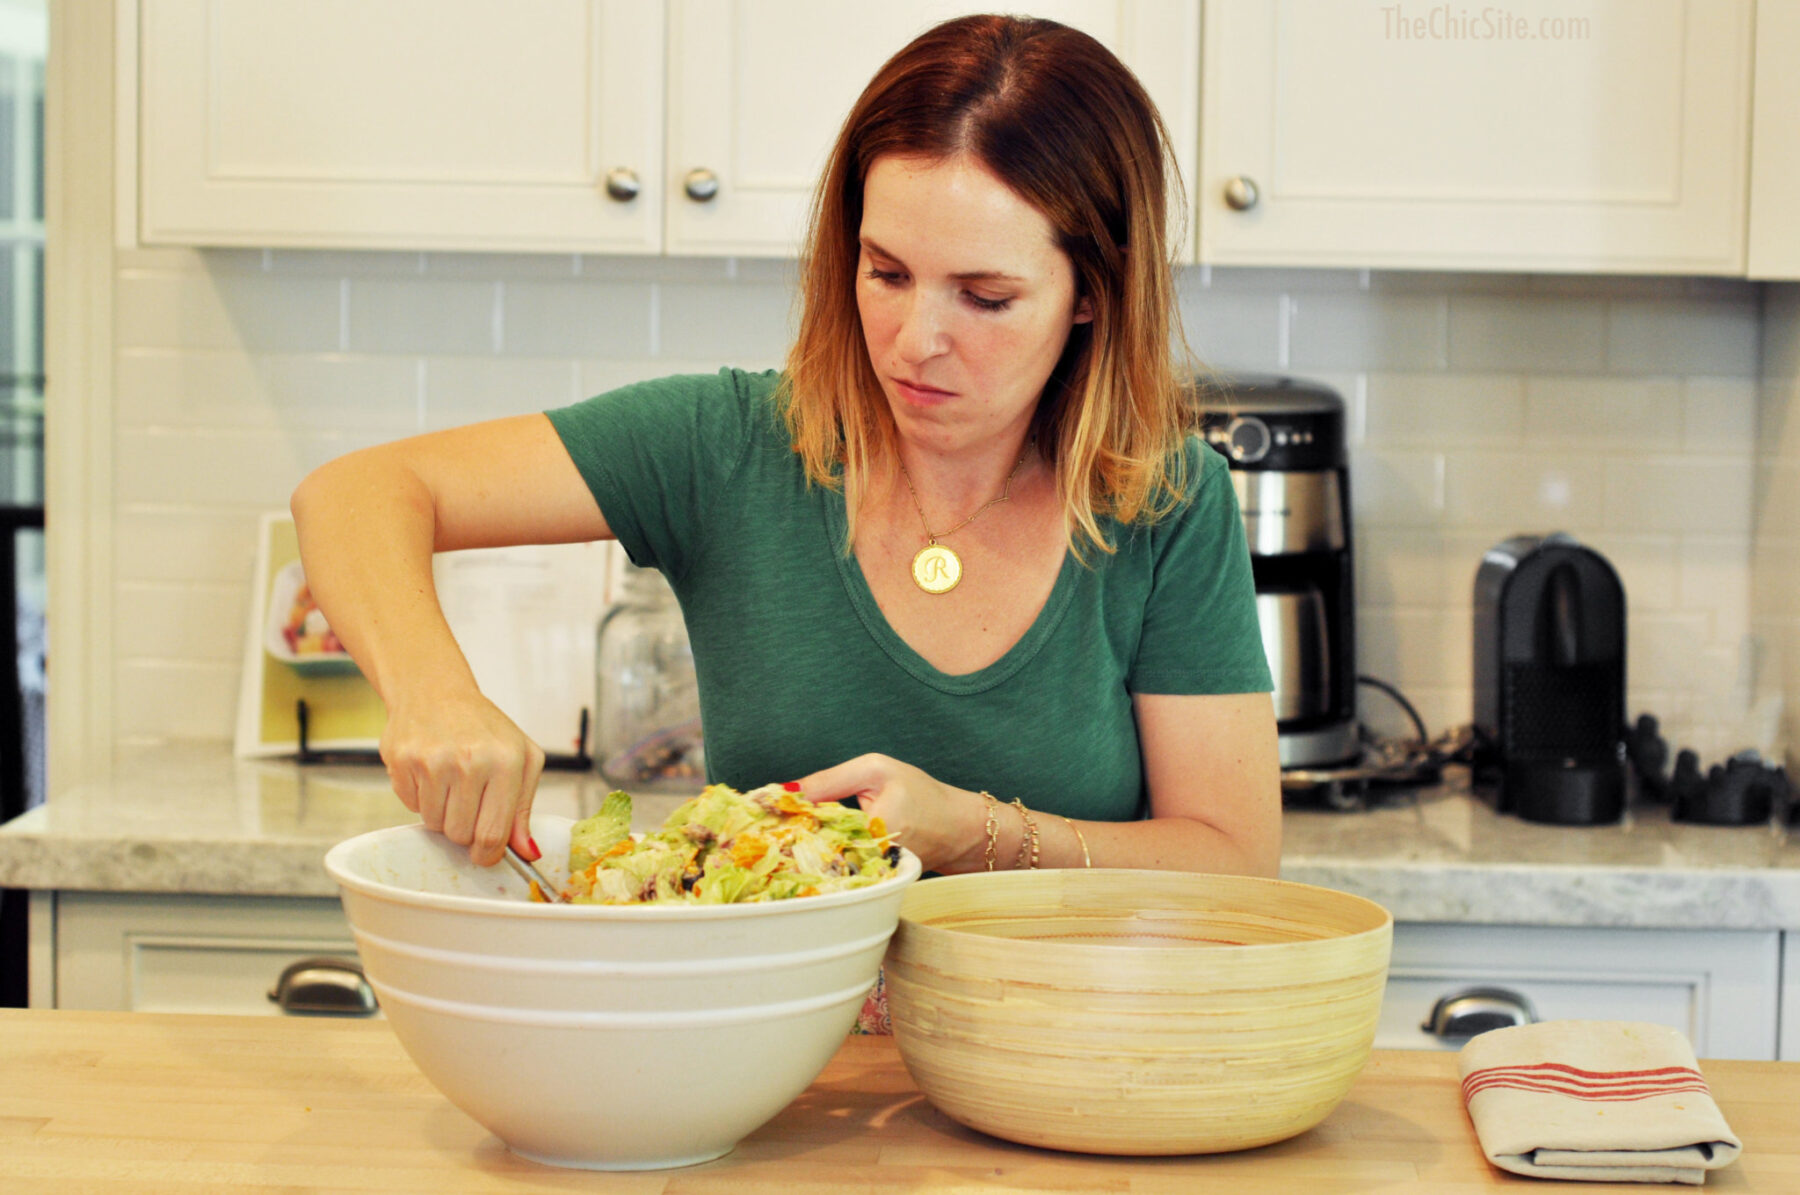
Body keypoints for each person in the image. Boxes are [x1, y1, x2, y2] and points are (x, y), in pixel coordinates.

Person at [289, 13, 1281, 882]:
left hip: (1059, 1064)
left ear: (1093, 294)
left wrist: (972, 831)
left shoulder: (1168, 502)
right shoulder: (724, 447)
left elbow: (1234, 862)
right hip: (777, 1063)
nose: (916, 340)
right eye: (886, 271)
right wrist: (435, 695)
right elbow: (356, 493)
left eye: (984, 297)